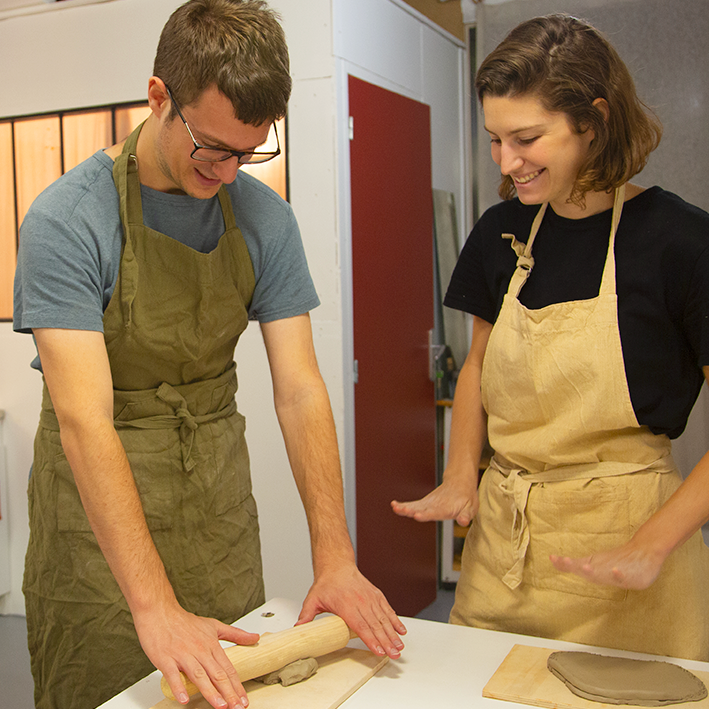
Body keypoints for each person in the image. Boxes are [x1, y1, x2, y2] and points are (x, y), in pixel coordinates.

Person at [13, 2, 406, 708]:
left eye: (248, 151)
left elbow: (299, 389)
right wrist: (155, 606)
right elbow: (85, 420)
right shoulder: (68, 221)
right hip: (96, 529)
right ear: (159, 96)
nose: (227, 173)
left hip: (215, 506)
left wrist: (336, 556)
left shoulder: (263, 219)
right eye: (212, 148)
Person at [392, 13, 709, 662]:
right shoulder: (499, 232)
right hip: (502, 552)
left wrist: (653, 543)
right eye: (493, 139)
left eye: (526, 138)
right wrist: (460, 475)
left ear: (592, 121)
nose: (506, 162)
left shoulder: (681, 242)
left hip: (626, 556)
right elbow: (477, 363)